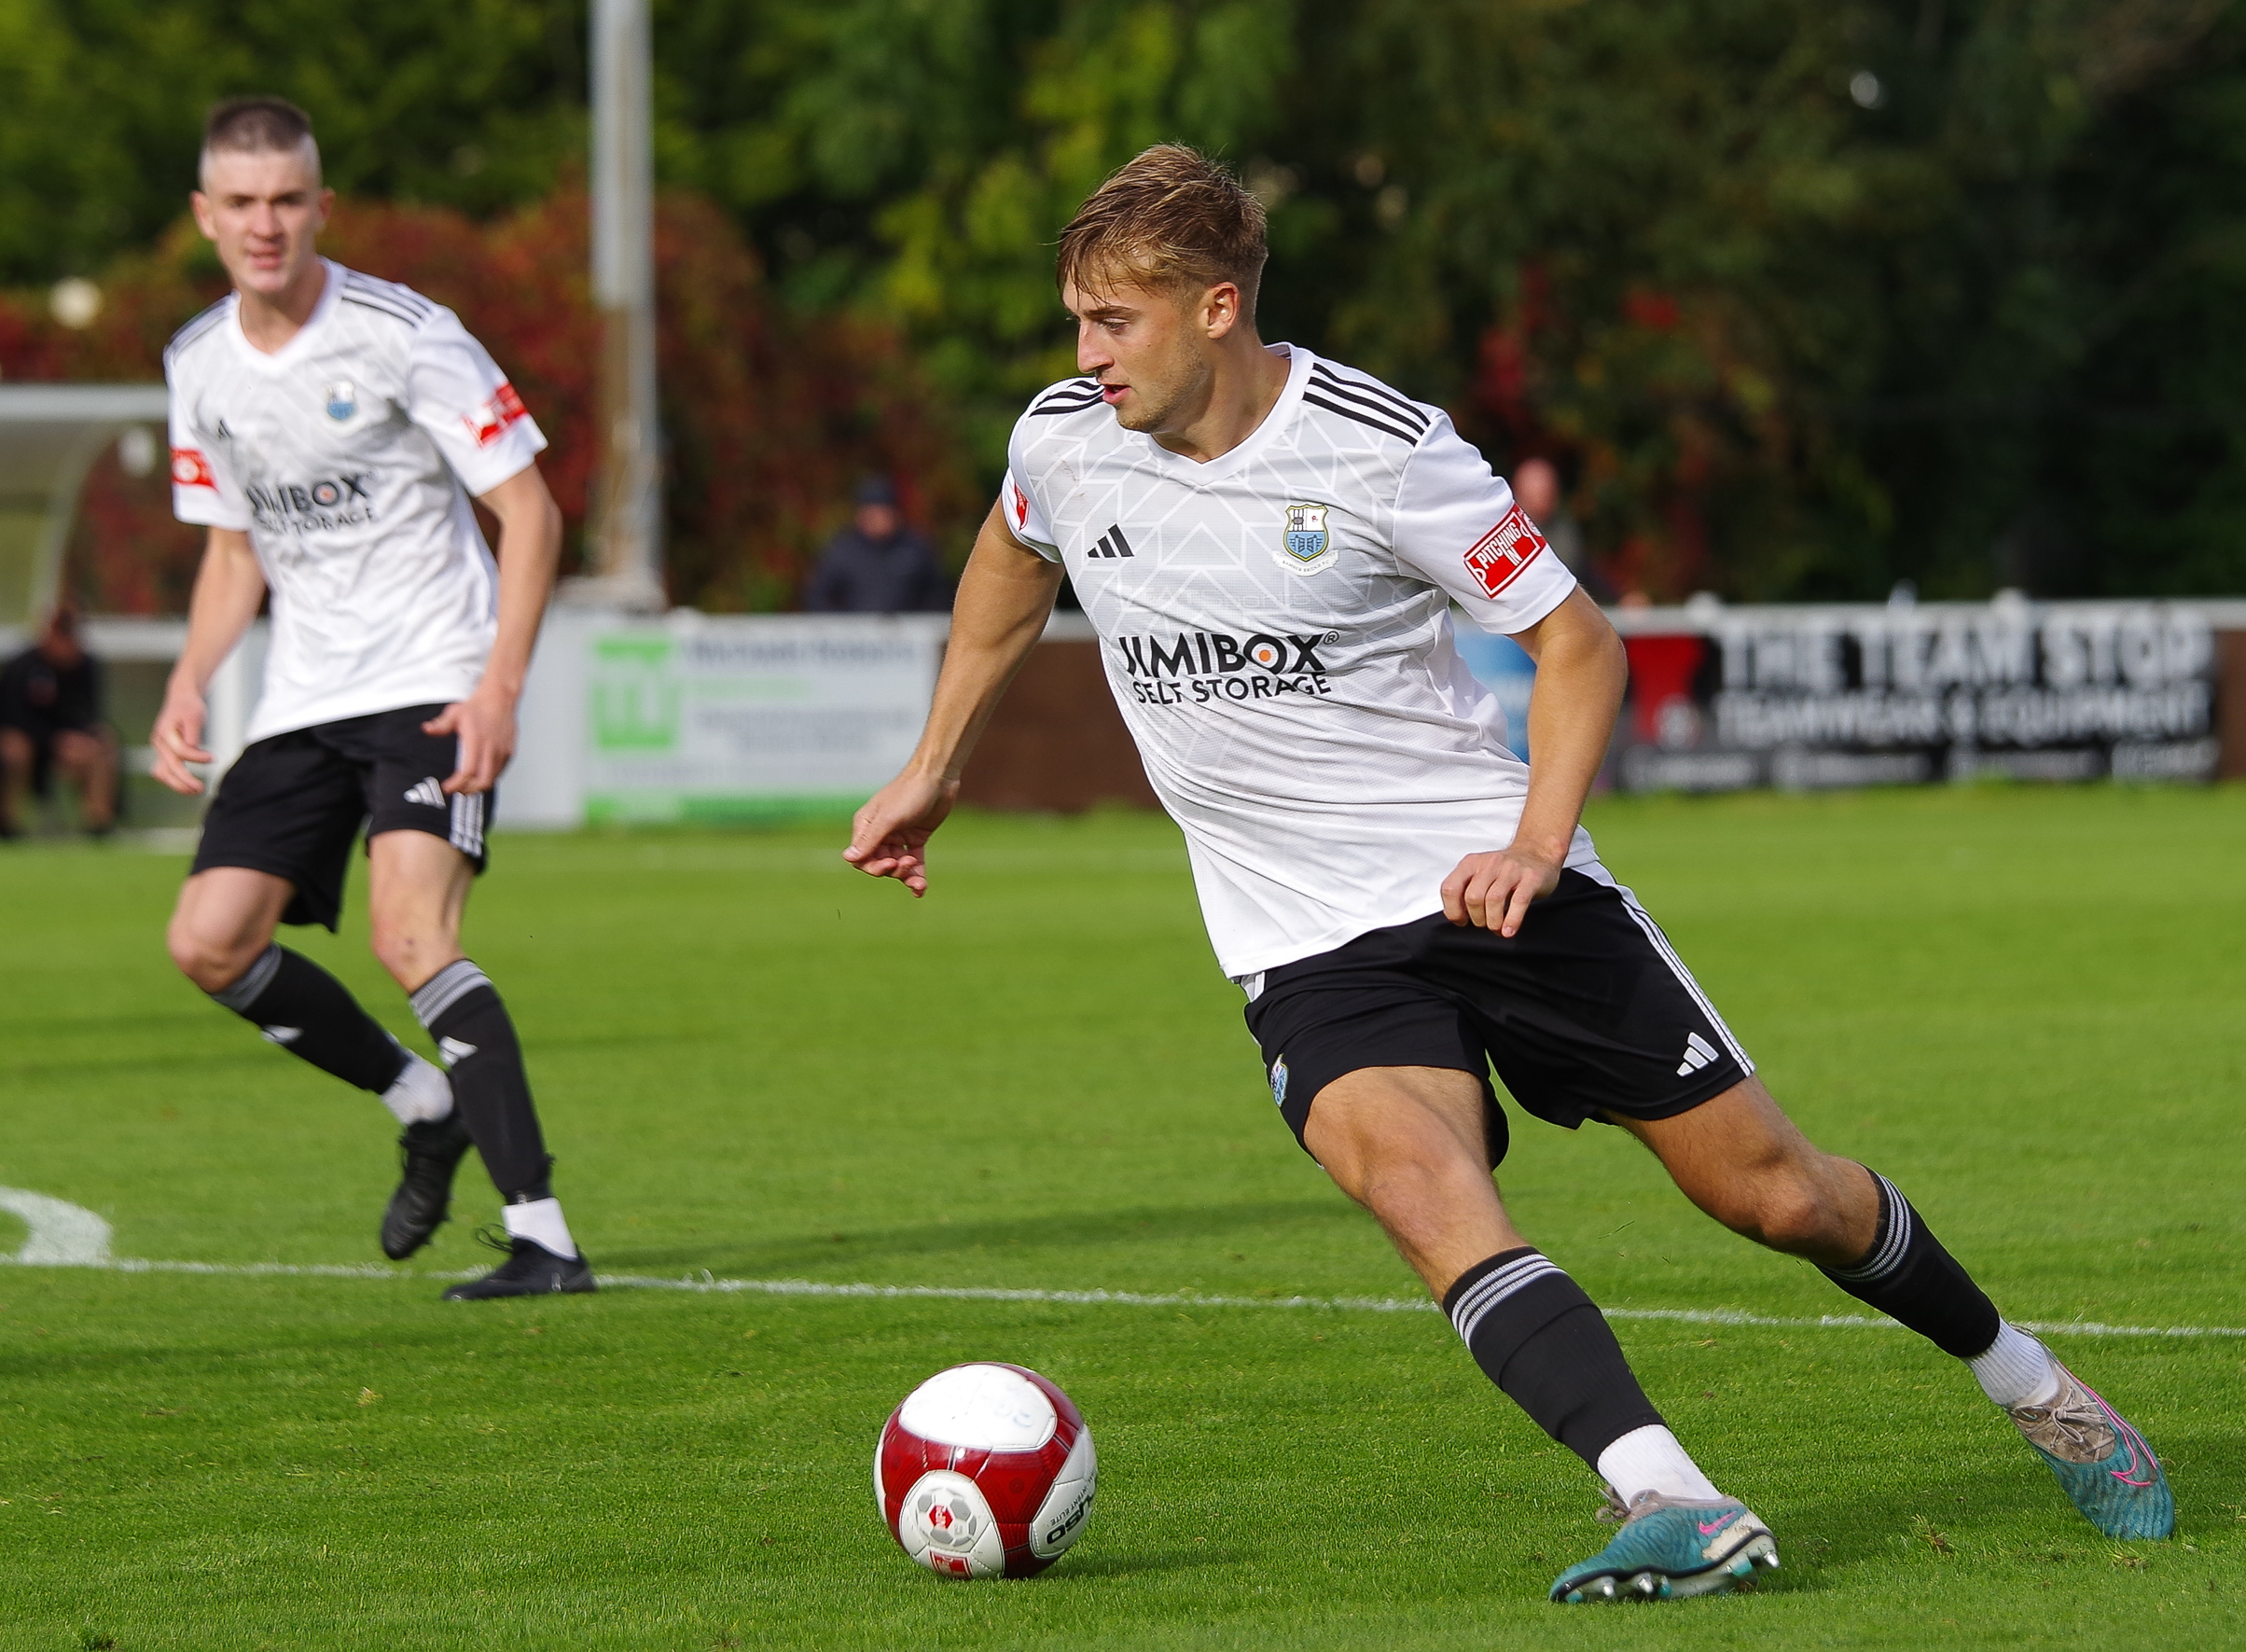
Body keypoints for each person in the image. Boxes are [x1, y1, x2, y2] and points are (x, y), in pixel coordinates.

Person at [846, 146, 2170, 1603]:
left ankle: (2037, 1384)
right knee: (1419, 1184)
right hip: (1304, 937)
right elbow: (1007, 562)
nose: (1085, 356)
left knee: (1781, 1196)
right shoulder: (1063, 438)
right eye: (1078, 323)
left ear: (1217, 307)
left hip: (1493, 880)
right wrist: (936, 764)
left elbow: (1578, 643)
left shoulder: (1381, 449)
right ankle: (1670, 1492)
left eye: (1116, 322)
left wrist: (1534, 846)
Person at [153, 97, 591, 1300]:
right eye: (240, 203)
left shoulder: (405, 333)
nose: (265, 223)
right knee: (206, 940)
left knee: (411, 932)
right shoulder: (198, 364)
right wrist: (189, 682)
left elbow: (531, 511)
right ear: (206, 215)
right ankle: (421, 1101)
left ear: (321, 207)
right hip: (302, 699)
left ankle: (543, 1236)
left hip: (432, 679)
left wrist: (498, 687)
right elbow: (234, 551)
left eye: (287, 199)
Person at [0, 605, 118, 839]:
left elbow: (90, 714)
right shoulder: (21, 666)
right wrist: (51, 738)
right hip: (27, 741)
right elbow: (11, 718)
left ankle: (98, 823)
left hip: (65, 744)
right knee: (15, 749)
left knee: (102, 744)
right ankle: (7, 822)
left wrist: (81, 735)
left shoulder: (85, 666)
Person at [803, 475, 951, 613]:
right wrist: (842, 626)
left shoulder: (916, 548)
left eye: (884, 512)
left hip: (908, 635)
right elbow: (818, 597)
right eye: (872, 513)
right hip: (855, 637)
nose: (879, 519)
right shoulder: (842, 551)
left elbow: (938, 594)